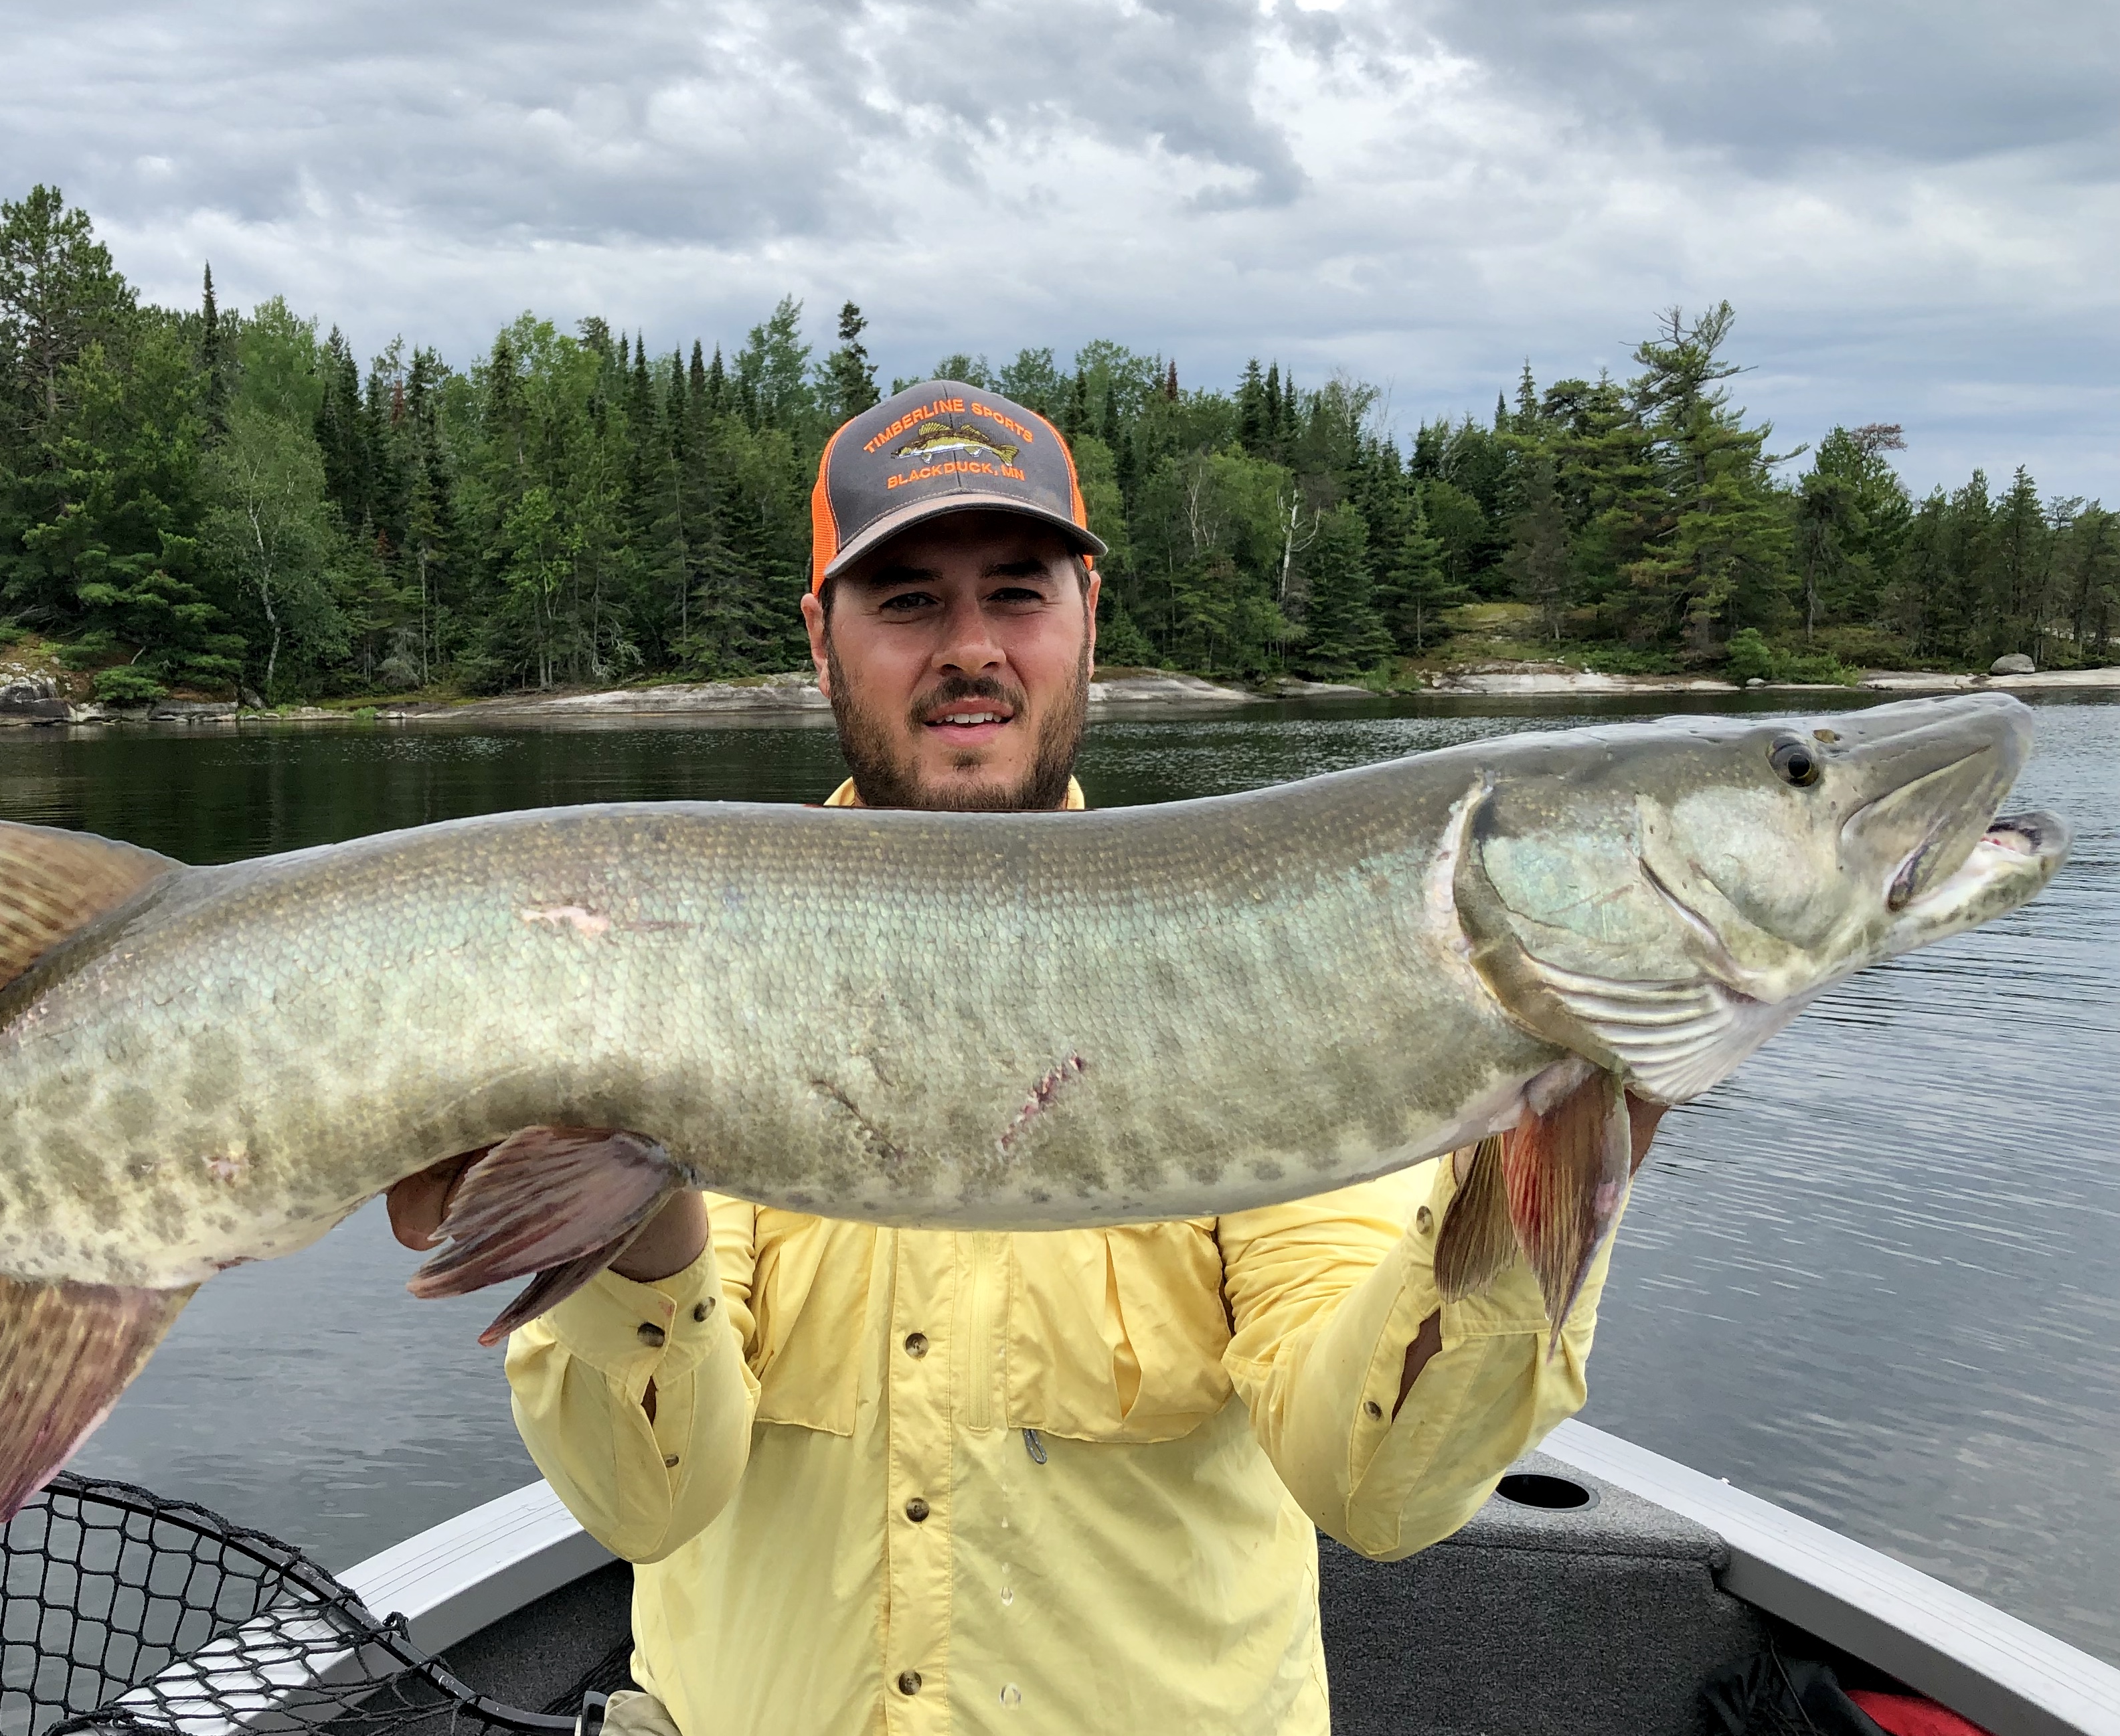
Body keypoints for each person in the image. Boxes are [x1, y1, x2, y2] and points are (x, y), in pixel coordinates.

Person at [390, 380, 1660, 1735]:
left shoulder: (1255, 970)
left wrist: (1547, 1184)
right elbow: (645, 1504)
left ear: (1086, 622)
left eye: (1014, 592)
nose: (969, 648)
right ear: (819, 637)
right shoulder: (668, 965)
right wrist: (635, 1242)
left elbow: (1381, 1488)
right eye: (906, 602)